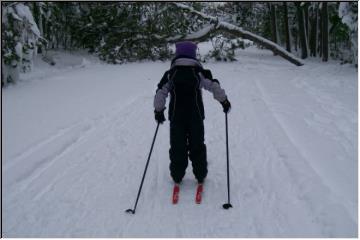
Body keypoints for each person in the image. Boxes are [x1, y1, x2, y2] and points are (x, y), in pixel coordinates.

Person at [153, 41, 231, 185]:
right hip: (196, 117)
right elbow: (213, 86)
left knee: (177, 146)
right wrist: (224, 101)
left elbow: (161, 92)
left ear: (177, 55)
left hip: (176, 117)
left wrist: (158, 110)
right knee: (197, 145)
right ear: (193, 55)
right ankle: (200, 174)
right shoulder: (199, 73)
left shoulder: (171, 74)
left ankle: (177, 175)